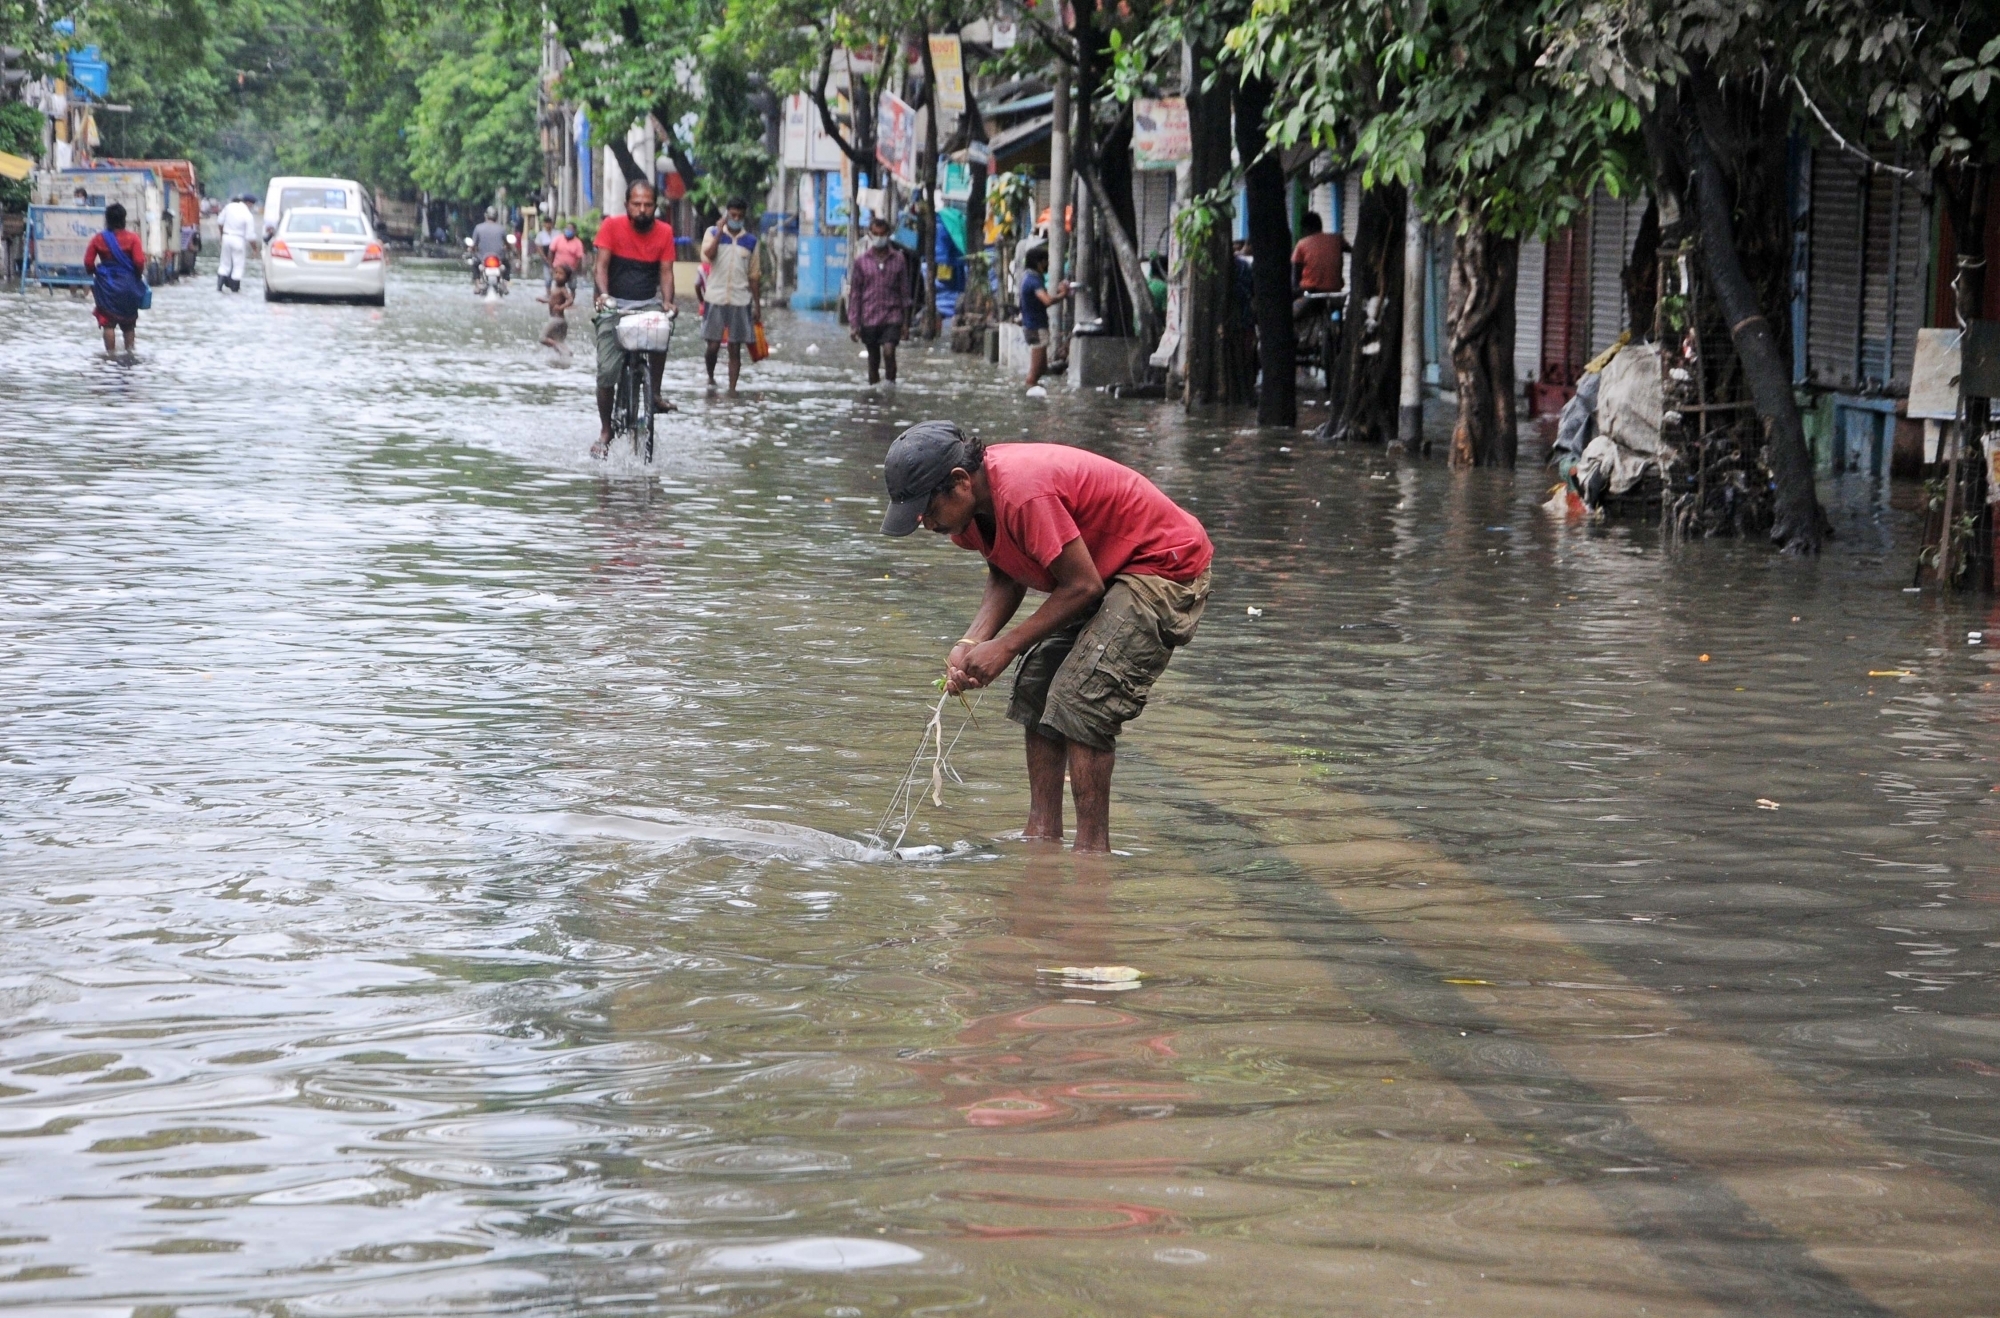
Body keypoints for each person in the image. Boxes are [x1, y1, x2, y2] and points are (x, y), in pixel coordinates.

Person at [880, 422, 1212, 853]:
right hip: (1101, 570)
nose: (925, 523)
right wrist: (971, 642)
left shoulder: (1022, 492)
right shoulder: (970, 513)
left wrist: (1005, 646)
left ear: (960, 482)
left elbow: (1082, 587)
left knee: (1083, 697)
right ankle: (1042, 838)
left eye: (927, 510)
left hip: (1163, 565)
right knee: (1035, 684)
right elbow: (1007, 572)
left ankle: (1091, 855)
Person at [590, 180, 677, 457]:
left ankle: (654, 393)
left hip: (648, 304)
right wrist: (604, 296)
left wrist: (667, 302)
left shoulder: (664, 233)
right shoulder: (611, 227)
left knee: (663, 329)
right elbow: (600, 267)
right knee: (606, 373)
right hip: (614, 304)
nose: (642, 210)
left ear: (655, 207)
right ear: (627, 205)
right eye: (636, 204)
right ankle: (606, 430)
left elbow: (666, 272)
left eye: (648, 205)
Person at [700, 197, 761, 393]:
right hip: (715, 297)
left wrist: (757, 306)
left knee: (735, 348)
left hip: (740, 299)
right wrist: (719, 231)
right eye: (732, 215)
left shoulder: (751, 242)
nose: (736, 219)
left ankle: (732, 390)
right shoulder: (712, 233)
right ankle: (710, 377)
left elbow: (753, 276)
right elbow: (708, 256)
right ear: (726, 214)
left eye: (740, 216)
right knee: (713, 346)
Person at [847, 214, 910, 385]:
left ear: (888, 234)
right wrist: (854, 324)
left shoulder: (899, 259)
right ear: (870, 234)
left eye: (882, 234)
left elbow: (904, 292)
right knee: (873, 361)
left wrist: (905, 323)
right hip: (869, 317)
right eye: (875, 234)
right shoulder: (861, 262)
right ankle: (874, 395)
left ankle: (890, 386)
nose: (879, 238)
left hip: (892, 316)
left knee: (889, 352)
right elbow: (855, 294)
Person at [84, 201, 147, 360]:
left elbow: (88, 263)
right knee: (128, 324)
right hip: (128, 286)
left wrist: (98, 273)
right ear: (124, 220)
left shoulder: (98, 239)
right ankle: (130, 355)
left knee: (108, 323)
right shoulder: (133, 239)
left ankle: (110, 356)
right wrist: (136, 277)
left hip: (107, 286)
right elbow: (139, 262)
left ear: (107, 220)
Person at [1018, 247, 1070, 396]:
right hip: (1036, 328)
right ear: (1039, 263)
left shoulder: (1029, 277)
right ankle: (1030, 398)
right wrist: (1062, 294)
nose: (1047, 264)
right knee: (1034, 372)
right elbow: (1046, 300)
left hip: (1033, 326)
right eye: (1046, 261)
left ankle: (1036, 394)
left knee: (1041, 369)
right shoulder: (1033, 280)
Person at [1290, 210, 1345, 297]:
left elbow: (1296, 272)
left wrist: (1295, 289)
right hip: (1335, 290)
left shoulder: (1302, 244)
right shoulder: (1337, 239)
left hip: (1311, 291)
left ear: (1306, 228)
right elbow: (1351, 250)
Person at [217, 193, 257, 293]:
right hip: (239, 239)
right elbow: (250, 236)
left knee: (224, 264)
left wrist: (222, 235)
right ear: (249, 203)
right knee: (238, 266)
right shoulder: (247, 214)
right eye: (252, 205)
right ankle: (235, 290)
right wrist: (255, 249)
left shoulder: (229, 207)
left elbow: (220, 222)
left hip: (226, 237)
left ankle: (219, 288)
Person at [538, 265, 575, 358]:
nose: (557, 275)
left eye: (561, 274)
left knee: (542, 338)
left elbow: (570, 300)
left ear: (566, 278)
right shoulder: (555, 288)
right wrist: (544, 301)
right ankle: (565, 356)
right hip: (559, 320)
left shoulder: (563, 289)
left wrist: (562, 307)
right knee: (557, 341)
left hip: (556, 319)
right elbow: (553, 300)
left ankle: (563, 348)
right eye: (556, 273)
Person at [470, 205, 511, 282]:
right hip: (499, 258)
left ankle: (477, 284)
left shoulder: (478, 228)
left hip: (482, 258)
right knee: (507, 265)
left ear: (486, 216)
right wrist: (509, 248)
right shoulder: (501, 228)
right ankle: (505, 284)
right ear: (496, 217)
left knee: (474, 265)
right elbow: (507, 244)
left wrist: (471, 249)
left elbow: (473, 245)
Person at [549, 222, 584, 286]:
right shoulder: (558, 239)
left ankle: (571, 296)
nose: (568, 230)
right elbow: (551, 252)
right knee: (558, 286)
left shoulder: (578, 242)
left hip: (571, 269)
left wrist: (575, 269)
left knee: (572, 286)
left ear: (574, 231)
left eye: (570, 229)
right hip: (558, 267)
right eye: (567, 228)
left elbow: (579, 258)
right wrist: (551, 266)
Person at [534, 215, 556, 289]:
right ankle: (548, 293)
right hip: (546, 258)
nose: (548, 225)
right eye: (546, 223)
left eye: (549, 223)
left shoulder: (557, 233)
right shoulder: (540, 235)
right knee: (548, 279)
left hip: (556, 259)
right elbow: (539, 248)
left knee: (558, 278)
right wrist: (545, 258)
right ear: (544, 224)